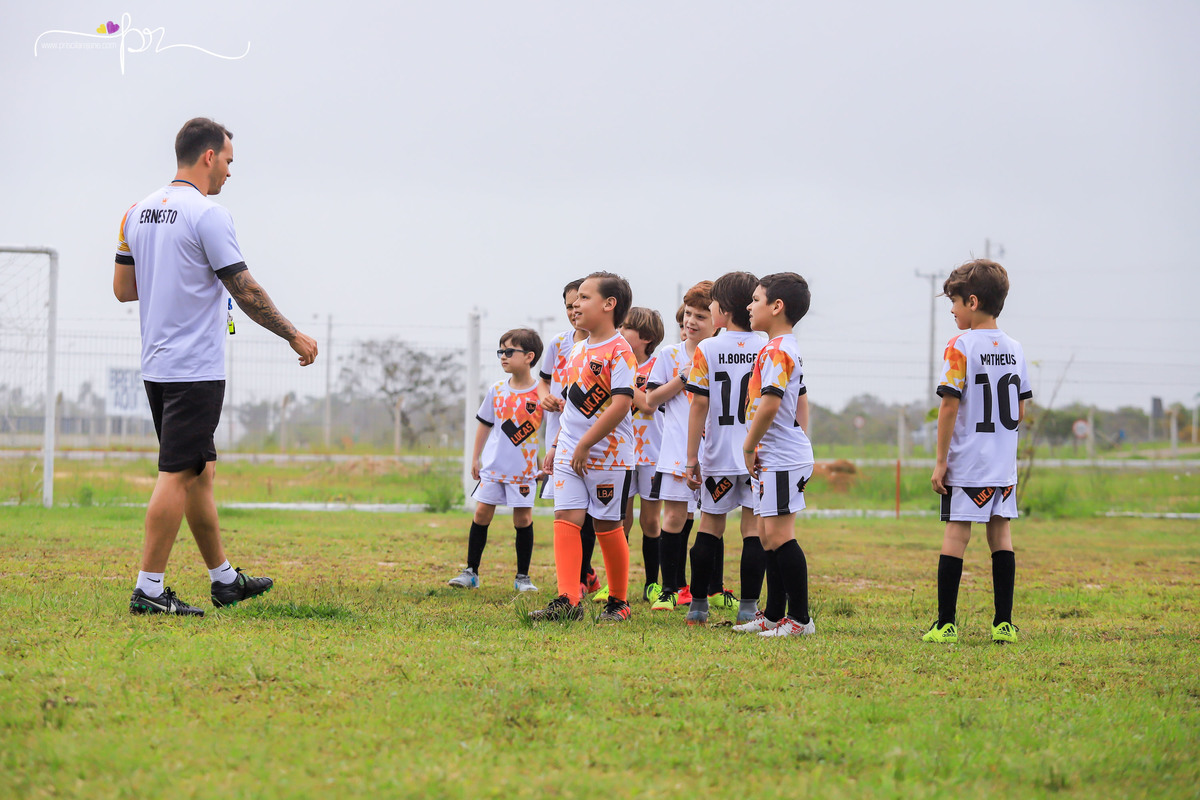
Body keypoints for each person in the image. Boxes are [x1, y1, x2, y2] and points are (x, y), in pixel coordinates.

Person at [114, 117, 318, 616]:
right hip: (194, 369)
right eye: (228, 160)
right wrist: (293, 333)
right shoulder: (208, 214)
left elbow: (124, 290)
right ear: (208, 156)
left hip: (157, 365)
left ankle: (224, 580)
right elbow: (244, 289)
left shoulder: (136, 212)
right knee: (178, 472)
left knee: (199, 471)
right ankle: (150, 589)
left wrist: (172, 278)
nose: (229, 171)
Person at [924, 259, 1031, 645]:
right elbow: (1018, 409)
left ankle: (946, 624)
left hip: (968, 462)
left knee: (956, 535)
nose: (951, 310)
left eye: (953, 302)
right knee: (1001, 536)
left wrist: (941, 461)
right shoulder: (1015, 348)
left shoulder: (960, 345)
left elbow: (949, 406)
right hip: (1002, 465)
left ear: (971, 301)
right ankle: (1004, 623)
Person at [530, 272, 638, 622]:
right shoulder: (575, 348)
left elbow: (622, 404)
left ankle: (618, 602)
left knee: (607, 526)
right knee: (565, 518)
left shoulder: (620, 350)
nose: (576, 304)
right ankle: (567, 600)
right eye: (574, 299)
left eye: (585, 297)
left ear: (609, 305)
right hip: (568, 452)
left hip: (607, 455)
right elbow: (571, 405)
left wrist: (586, 443)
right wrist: (560, 442)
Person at [732, 273, 815, 637]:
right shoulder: (775, 347)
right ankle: (773, 615)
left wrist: (749, 445)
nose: (749, 306)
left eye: (756, 299)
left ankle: (800, 620)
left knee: (780, 536)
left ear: (777, 306)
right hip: (775, 456)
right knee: (767, 534)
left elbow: (771, 402)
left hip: (781, 457)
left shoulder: (780, 349)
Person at [683, 271, 764, 625]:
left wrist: (690, 458)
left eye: (713, 303)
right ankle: (748, 607)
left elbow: (698, 405)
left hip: (718, 453)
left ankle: (698, 605)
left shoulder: (708, 348)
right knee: (753, 531)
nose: (710, 308)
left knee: (710, 527)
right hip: (758, 455)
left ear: (726, 310)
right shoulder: (767, 346)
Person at [448, 328, 544, 592]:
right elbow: (485, 425)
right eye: (500, 351)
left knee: (522, 520)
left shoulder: (541, 394)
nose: (503, 356)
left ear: (529, 357)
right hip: (492, 469)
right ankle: (471, 572)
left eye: (509, 351)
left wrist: (548, 460)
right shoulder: (497, 390)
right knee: (481, 514)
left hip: (524, 473)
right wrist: (476, 457)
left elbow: (554, 427)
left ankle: (523, 577)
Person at [646, 284, 715, 612]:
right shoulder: (668, 355)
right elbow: (650, 400)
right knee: (673, 517)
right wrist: (682, 379)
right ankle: (669, 588)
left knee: (710, 520)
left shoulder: (718, 354)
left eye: (701, 316)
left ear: (717, 319)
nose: (692, 321)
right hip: (675, 451)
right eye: (688, 314)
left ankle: (708, 588)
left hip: (713, 452)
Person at [536, 279, 602, 598]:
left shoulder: (607, 346)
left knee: (589, 511)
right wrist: (545, 397)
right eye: (569, 306)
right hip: (560, 431)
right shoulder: (559, 344)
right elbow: (543, 383)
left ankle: (584, 574)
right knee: (569, 509)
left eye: (580, 302)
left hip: (592, 434)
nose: (574, 310)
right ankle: (579, 577)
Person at [618, 306, 666, 602]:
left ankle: (652, 583)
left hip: (652, 454)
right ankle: (616, 584)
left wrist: (622, 384)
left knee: (650, 522)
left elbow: (648, 403)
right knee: (620, 521)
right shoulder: (616, 362)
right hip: (621, 454)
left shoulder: (659, 366)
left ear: (646, 337)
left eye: (626, 328)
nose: (620, 333)